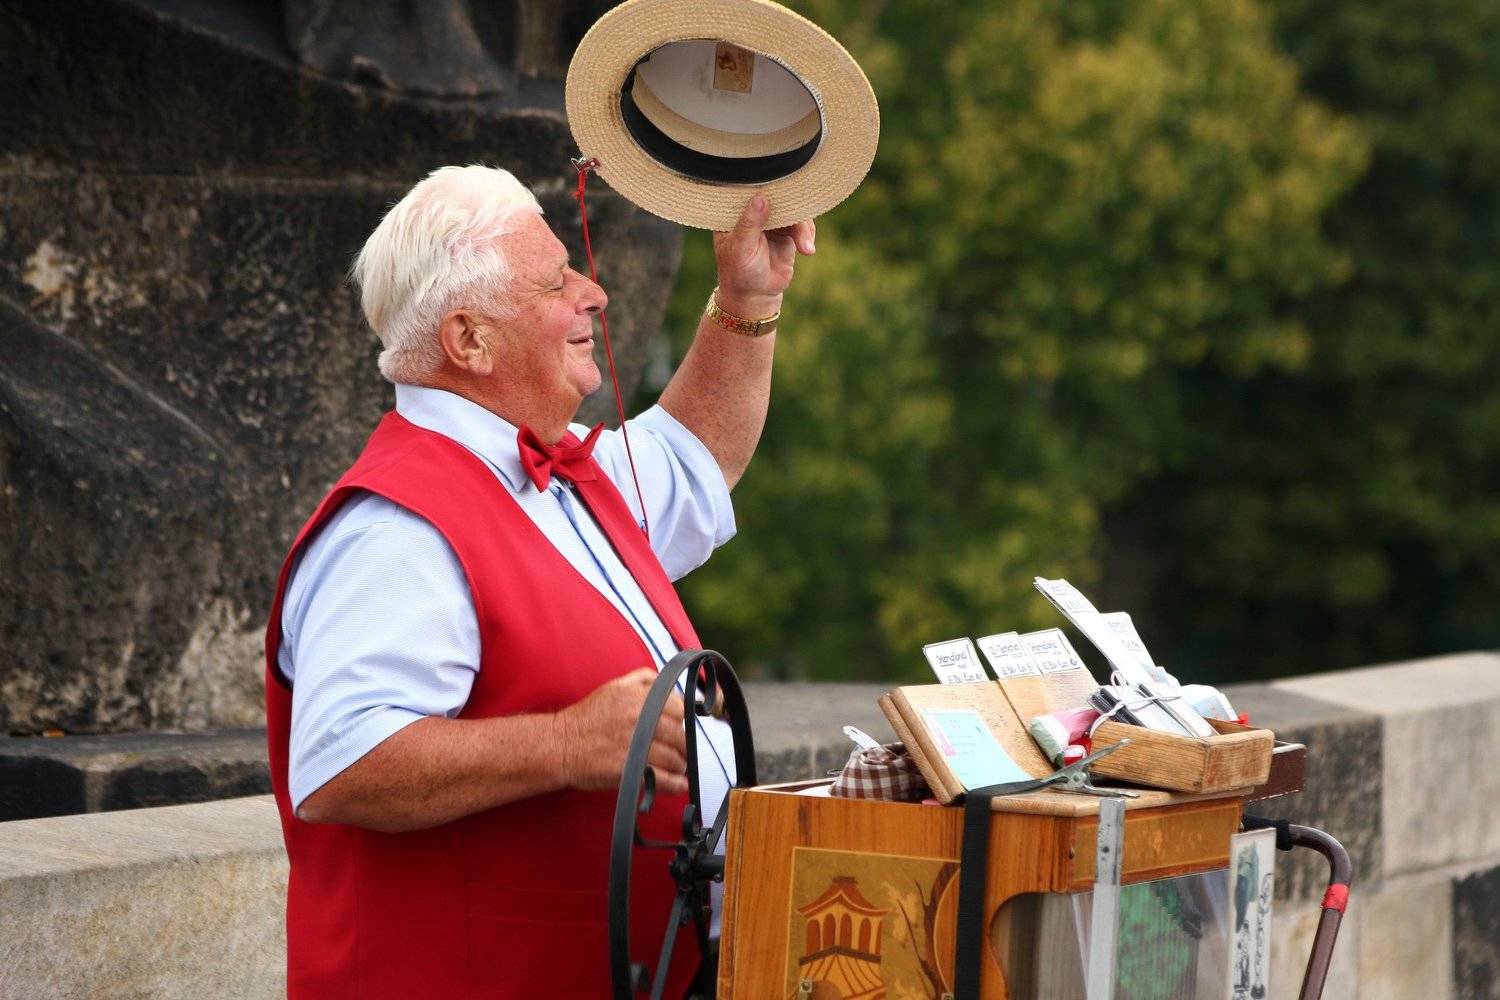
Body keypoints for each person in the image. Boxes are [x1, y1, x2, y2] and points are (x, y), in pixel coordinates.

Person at [263, 164, 814, 998]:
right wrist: (565, 742)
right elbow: (344, 761)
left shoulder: (563, 472)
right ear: (470, 341)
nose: (593, 294)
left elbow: (697, 452)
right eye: (555, 283)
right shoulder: (397, 528)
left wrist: (749, 294)